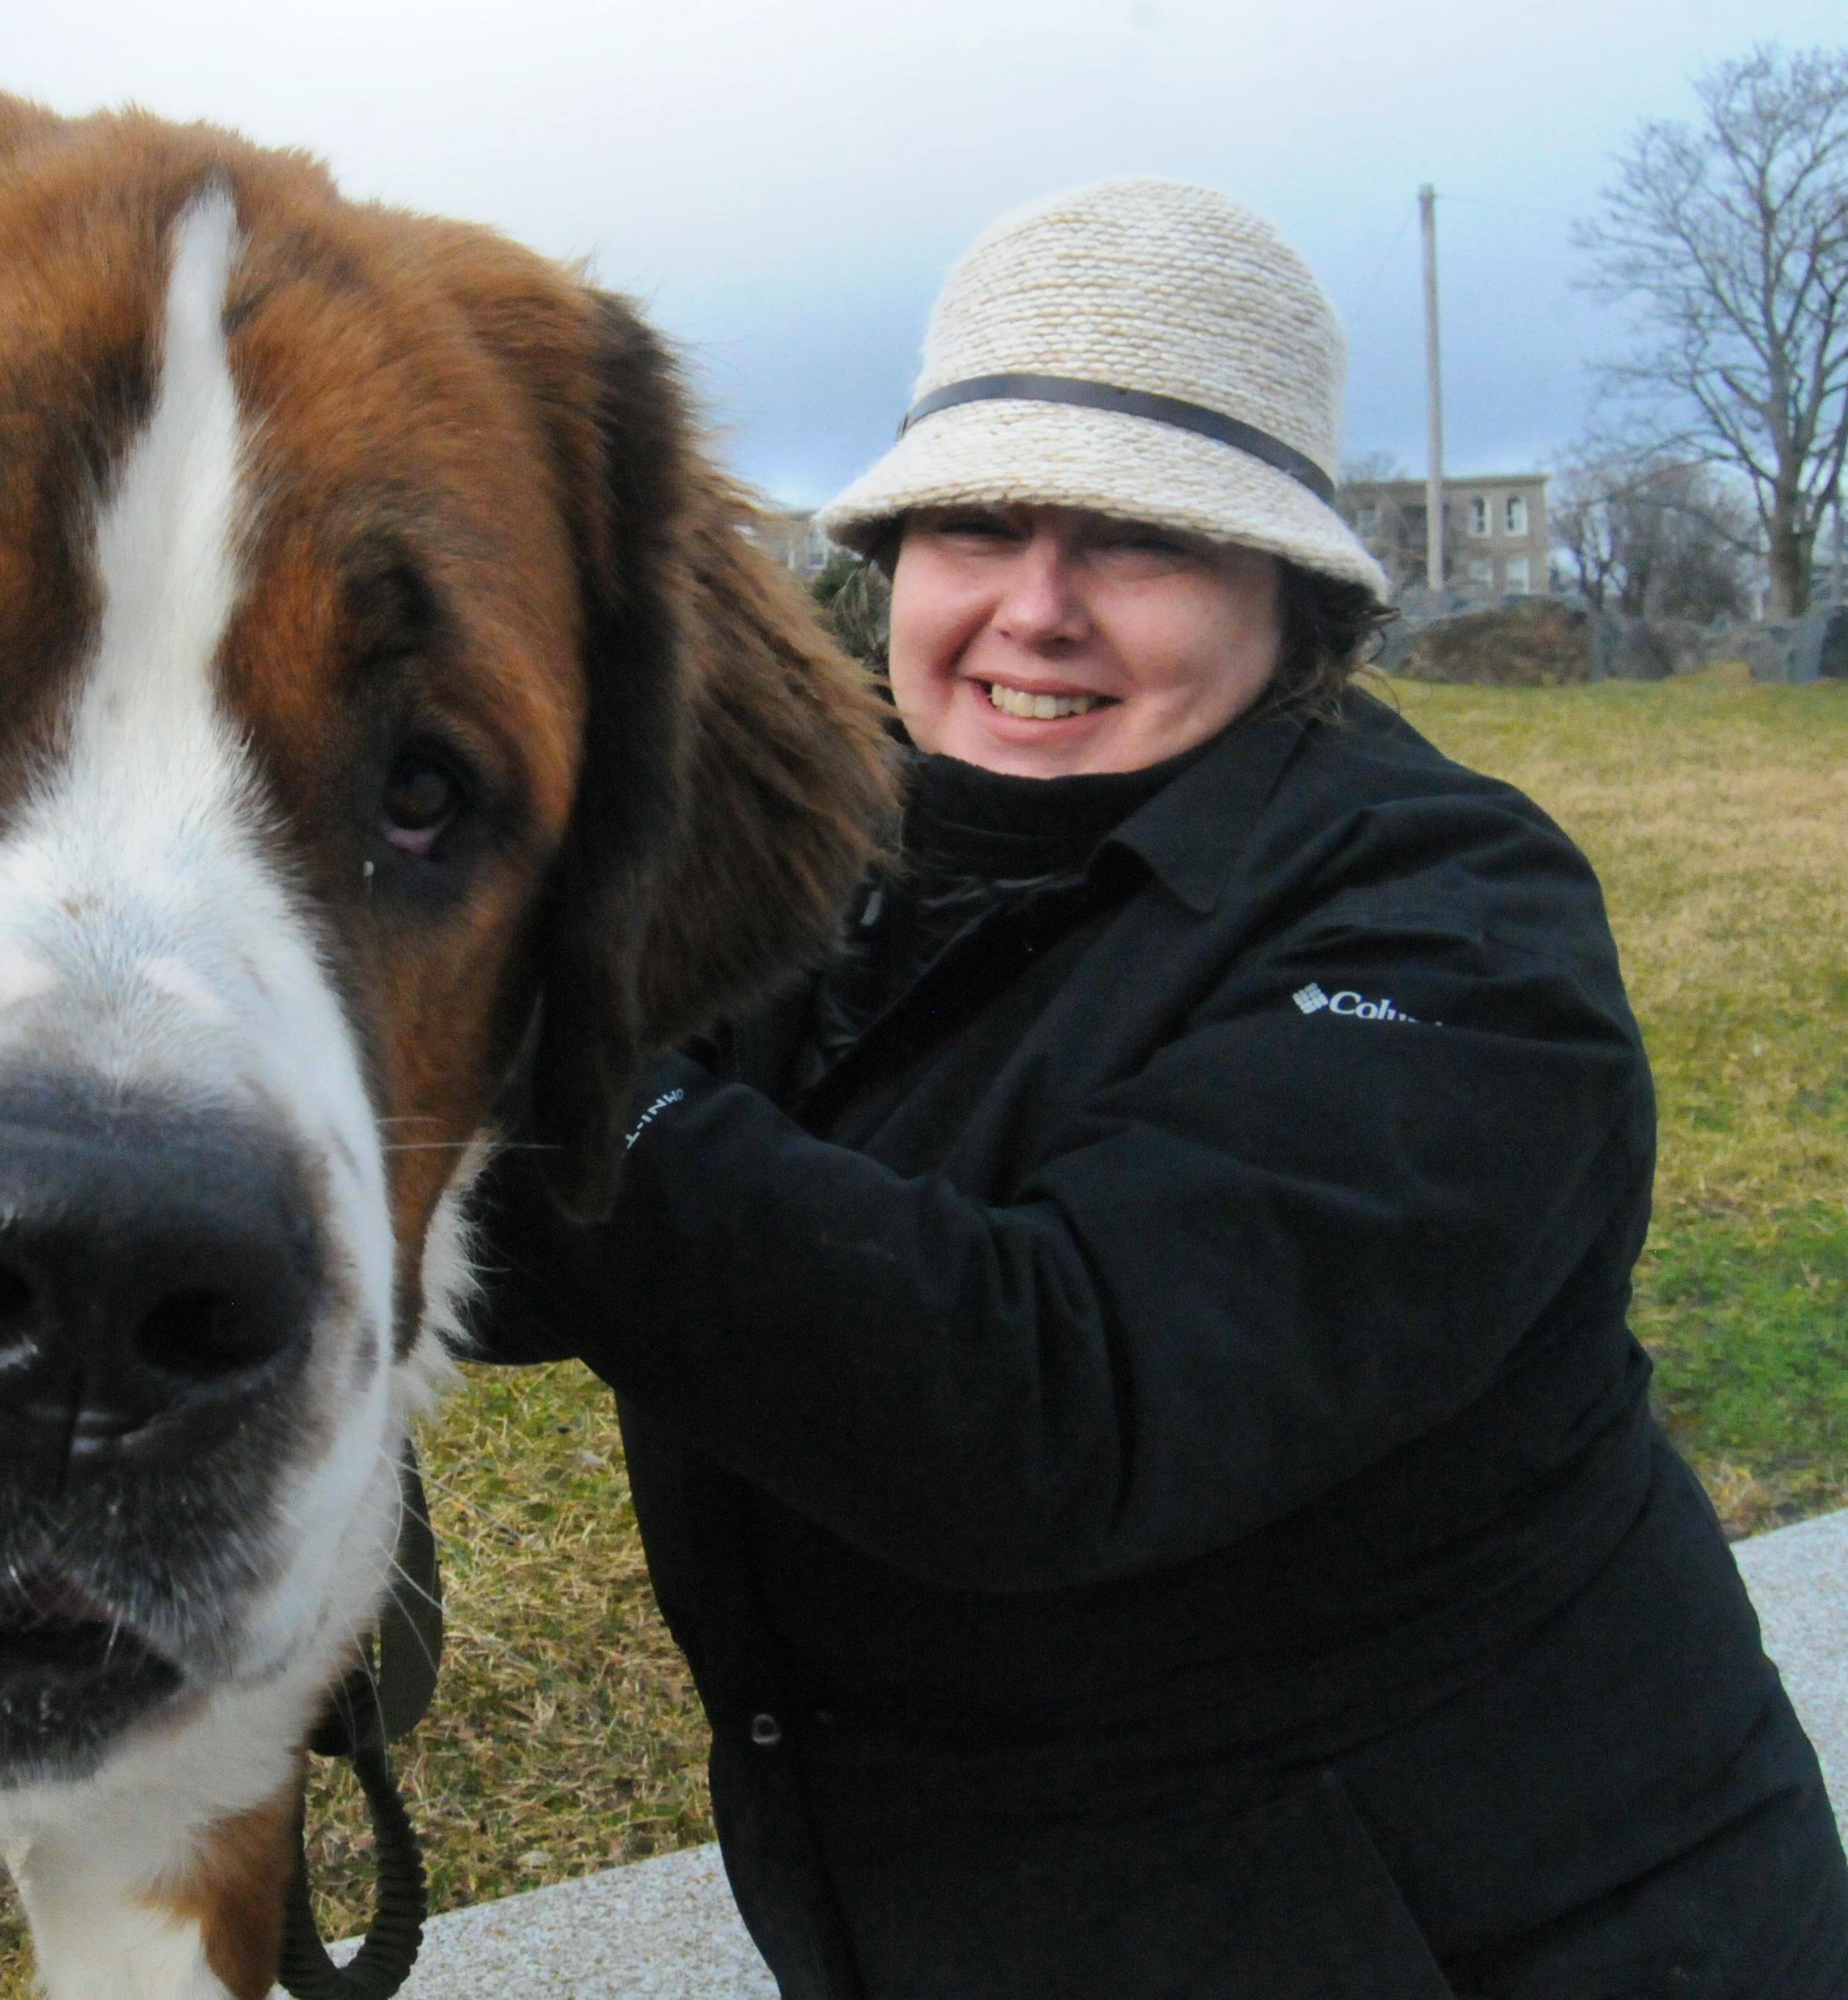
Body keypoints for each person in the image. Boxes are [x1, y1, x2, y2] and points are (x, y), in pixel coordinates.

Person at [465, 178, 1848, 1999]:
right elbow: (505, 1225)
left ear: (1291, 596)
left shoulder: (1459, 932)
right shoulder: (824, 846)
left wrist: (528, 1064)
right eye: (973, 524)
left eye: (1137, 540)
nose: (1032, 609)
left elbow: (1046, 1405)